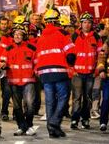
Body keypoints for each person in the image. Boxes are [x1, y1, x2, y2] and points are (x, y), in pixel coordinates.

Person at [35, 8, 76, 138]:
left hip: (44, 73)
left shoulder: (41, 38)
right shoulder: (63, 33)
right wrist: (70, 63)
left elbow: (37, 56)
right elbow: (70, 55)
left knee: (50, 101)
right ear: (57, 21)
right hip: (59, 71)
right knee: (63, 98)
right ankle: (54, 122)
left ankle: (52, 130)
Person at [0, 24, 37, 136]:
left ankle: (29, 125)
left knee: (30, 105)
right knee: (16, 106)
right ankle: (21, 127)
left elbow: (37, 63)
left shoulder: (32, 48)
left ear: (24, 36)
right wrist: (2, 64)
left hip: (29, 80)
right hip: (14, 81)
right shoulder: (8, 48)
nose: (17, 36)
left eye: (19, 34)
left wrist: (36, 72)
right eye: (15, 34)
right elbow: (2, 60)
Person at [70, 12, 102, 130]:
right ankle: (74, 119)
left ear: (92, 24)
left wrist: (97, 70)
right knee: (77, 97)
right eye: (84, 22)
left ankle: (85, 119)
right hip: (77, 73)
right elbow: (69, 55)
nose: (87, 25)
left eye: (89, 22)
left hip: (90, 73)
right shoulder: (74, 36)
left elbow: (100, 55)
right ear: (81, 23)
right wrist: (72, 69)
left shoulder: (97, 37)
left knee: (87, 98)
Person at [0, 17, 13, 121]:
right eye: (2, 24)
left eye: (5, 24)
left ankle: (16, 112)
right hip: (5, 69)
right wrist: (3, 63)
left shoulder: (11, 36)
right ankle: (4, 111)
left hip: (16, 70)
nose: (4, 25)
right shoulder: (1, 37)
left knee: (15, 93)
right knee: (6, 92)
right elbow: (1, 53)